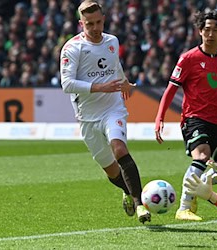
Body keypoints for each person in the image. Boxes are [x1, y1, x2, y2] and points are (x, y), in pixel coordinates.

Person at [60, 0, 150, 224]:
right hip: (88, 116)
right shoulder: (72, 48)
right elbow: (66, 84)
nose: (95, 27)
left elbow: (114, 65)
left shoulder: (112, 40)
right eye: (89, 24)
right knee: (111, 170)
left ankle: (140, 205)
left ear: (104, 19)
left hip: (113, 107)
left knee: (119, 149)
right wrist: (100, 87)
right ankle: (128, 191)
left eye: (98, 22)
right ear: (81, 23)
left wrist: (124, 81)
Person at [154, 9, 217, 221]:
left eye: (215, 30)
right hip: (193, 118)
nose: (211, 34)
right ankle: (184, 207)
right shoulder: (188, 58)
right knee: (202, 155)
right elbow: (170, 90)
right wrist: (160, 117)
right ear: (199, 31)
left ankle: (201, 182)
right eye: (207, 29)